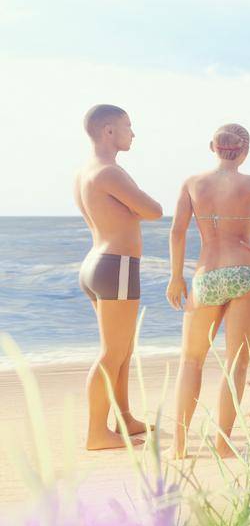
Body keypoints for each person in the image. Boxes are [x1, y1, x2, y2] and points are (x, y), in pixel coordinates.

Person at [167, 124, 250, 459]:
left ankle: (179, 447)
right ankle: (222, 444)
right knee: (236, 364)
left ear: (212, 146)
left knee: (191, 361)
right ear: (246, 150)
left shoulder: (193, 183)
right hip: (245, 271)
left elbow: (177, 232)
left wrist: (175, 277)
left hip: (206, 274)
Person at [73, 104, 164, 450]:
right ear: (108, 131)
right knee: (112, 352)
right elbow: (154, 210)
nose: (133, 132)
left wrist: (130, 210)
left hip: (96, 262)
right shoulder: (110, 172)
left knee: (122, 350)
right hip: (117, 265)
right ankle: (97, 433)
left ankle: (123, 418)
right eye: (128, 126)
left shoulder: (84, 172)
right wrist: (135, 210)